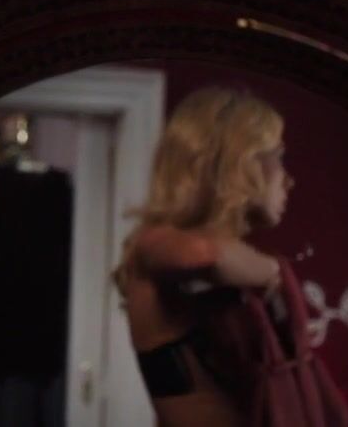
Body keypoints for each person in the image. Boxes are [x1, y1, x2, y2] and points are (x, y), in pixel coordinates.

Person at [113, 87, 303, 426]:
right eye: (279, 156)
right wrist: (274, 273)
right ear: (241, 162)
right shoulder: (151, 244)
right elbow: (207, 255)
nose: (289, 180)